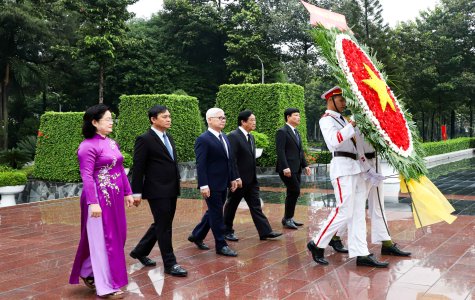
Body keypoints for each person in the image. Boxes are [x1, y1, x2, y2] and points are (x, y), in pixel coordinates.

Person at [306, 86, 388, 268]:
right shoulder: (326, 120)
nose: (345, 103)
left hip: (356, 168)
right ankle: (317, 243)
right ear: (330, 100)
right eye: (341, 100)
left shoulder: (342, 119)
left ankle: (361, 253)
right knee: (344, 210)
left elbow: (358, 144)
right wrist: (351, 126)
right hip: (342, 168)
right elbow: (334, 141)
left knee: (357, 212)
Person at [69, 104, 135, 299]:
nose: (111, 122)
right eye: (107, 119)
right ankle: (106, 286)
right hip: (98, 200)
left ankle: (87, 270)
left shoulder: (112, 143)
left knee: (117, 238)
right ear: (95, 122)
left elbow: (120, 169)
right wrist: (93, 202)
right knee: (103, 241)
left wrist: (127, 192)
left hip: (114, 199)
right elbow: (87, 176)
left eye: (111, 118)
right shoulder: (86, 147)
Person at [129, 105, 188, 277]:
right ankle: (171, 264)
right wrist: (136, 192)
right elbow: (138, 168)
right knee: (164, 227)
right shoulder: (144, 139)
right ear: (153, 119)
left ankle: (140, 251)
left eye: (169, 116)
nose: (169, 119)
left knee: (162, 223)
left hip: (171, 188)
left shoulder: (168, 136)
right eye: (164, 116)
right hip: (156, 189)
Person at [223, 110, 283, 241]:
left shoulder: (251, 137)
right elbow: (231, 159)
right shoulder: (233, 136)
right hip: (238, 180)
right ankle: (226, 231)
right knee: (231, 206)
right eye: (251, 120)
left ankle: (265, 231)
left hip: (251, 180)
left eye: (254, 120)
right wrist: (234, 177)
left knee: (256, 206)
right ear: (243, 121)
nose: (254, 122)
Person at [188, 108, 239, 257]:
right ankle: (221, 245)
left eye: (224, 117)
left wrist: (233, 178)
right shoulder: (203, 139)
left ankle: (197, 235)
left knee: (214, 211)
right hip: (211, 184)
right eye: (219, 118)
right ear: (209, 120)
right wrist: (203, 185)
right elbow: (201, 164)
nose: (223, 120)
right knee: (217, 214)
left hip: (224, 182)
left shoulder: (224, 137)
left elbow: (229, 161)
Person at [275, 108, 311, 229]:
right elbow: (280, 151)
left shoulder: (296, 132)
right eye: (296, 115)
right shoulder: (282, 131)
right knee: (295, 191)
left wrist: (305, 165)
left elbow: (300, 152)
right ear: (288, 117)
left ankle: (288, 218)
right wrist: (285, 167)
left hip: (296, 168)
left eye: (299, 115)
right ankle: (287, 218)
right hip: (287, 169)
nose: (299, 117)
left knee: (293, 192)